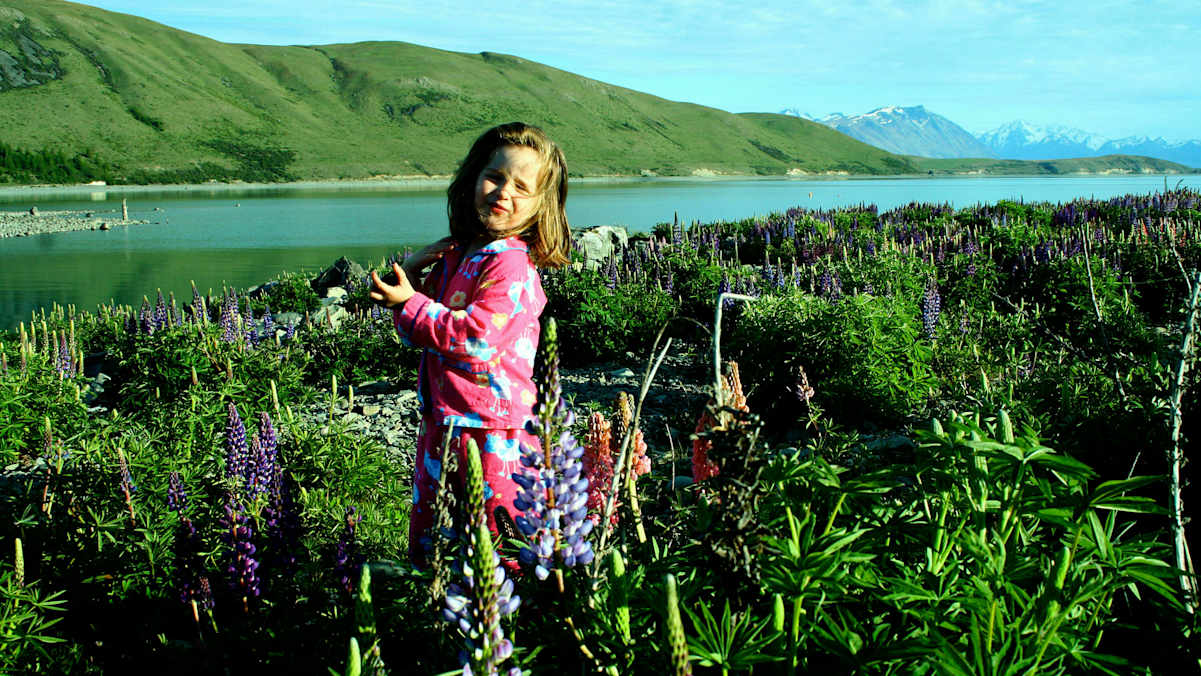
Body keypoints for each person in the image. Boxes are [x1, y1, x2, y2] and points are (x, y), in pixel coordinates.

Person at [369, 122, 570, 567]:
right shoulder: (458, 255)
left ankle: (512, 627)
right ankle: (435, 624)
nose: (504, 192)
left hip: (496, 430)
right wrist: (412, 277)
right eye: (495, 176)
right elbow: (414, 331)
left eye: (522, 186)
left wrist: (414, 305)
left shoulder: (512, 266)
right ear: (472, 179)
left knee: (501, 543)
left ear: (541, 206)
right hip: (443, 424)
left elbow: (476, 339)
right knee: (435, 544)